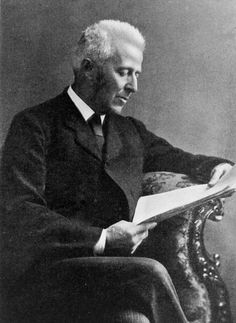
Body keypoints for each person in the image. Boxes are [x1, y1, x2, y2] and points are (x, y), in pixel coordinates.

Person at [0, 19, 233, 323]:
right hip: (49, 278)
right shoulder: (35, 125)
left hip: (116, 280)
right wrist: (103, 239)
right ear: (88, 68)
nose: (134, 86)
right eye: (124, 72)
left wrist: (218, 166)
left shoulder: (129, 131)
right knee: (150, 272)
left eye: (137, 74)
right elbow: (20, 213)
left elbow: (177, 158)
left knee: (134, 319)